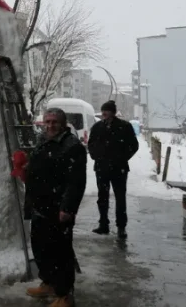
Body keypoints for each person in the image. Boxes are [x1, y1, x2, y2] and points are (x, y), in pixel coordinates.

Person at [24, 107, 86, 307]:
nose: (50, 125)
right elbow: (40, 165)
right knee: (41, 248)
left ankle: (65, 294)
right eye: (47, 122)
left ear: (63, 123)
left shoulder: (71, 146)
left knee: (60, 253)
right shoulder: (43, 141)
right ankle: (49, 283)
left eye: (54, 122)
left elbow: (76, 182)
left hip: (58, 208)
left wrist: (67, 209)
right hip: (40, 206)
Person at [87, 100, 139, 239]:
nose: (104, 113)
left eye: (107, 111)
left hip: (119, 169)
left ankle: (121, 227)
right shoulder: (97, 127)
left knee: (120, 198)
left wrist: (122, 158)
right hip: (101, 168)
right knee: (102, 197)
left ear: (113, 112)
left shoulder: (124, 126)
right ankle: (103, 224)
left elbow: (134, 145)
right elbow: (91, 144)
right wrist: (95, 156)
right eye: (103, 110)